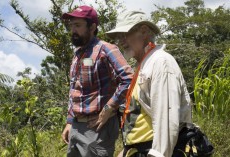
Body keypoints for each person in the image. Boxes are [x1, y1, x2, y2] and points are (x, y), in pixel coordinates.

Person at [106, 11, 192, 157]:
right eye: (118, 37)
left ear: (144, 31)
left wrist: (158, 154)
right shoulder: (144, 64)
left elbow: (166, 120)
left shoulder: (161, 63)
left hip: (155, 150)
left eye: (124, 35)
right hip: (140, 150)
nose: (121, 41)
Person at [61, 6, 133, 157]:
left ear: (92, 27)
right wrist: (69, 122)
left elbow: (129, 79)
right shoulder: (77, 54)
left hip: (96, 129)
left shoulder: (106, 49)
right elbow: (74, 89)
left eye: (78, 25)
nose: (73, 30)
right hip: (75, 126)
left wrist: (109, 109)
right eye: (71, 25)